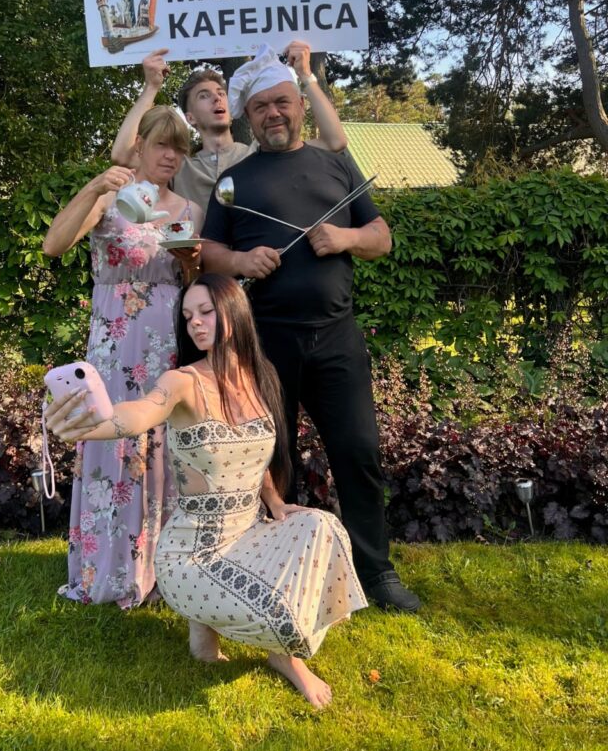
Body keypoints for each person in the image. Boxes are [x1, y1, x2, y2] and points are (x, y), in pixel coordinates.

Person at [45, 273, 367, 709]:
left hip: (247, 535)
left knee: (324, 527)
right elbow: (140, 413)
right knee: (280, 613)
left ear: (234, 311)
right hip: (191, 553)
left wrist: (275, 502)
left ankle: (253, 645)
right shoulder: (182, 382)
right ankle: (265, 644)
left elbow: (254, 454)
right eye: (187, 316)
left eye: (205, 312)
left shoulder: (261, 377)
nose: (195, 323)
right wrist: (90, 424)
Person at [200, 47, 422, 612]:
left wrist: (345, 238)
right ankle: (281, 568)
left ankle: (376, 572)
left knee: (358, 451)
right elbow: (207, 252)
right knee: (275, 458)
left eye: (281, 102)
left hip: (336, 337)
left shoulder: (337, 166)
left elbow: (381, 238)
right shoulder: (232, 180)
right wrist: (241, 261)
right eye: (260, 108)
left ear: (300, 104)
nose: (272, 114)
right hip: (267, 340)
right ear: (248, 118)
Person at [43, 106, 204, 607]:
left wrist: (191, 264)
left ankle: (161, 573)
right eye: (162, 145)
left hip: (166, 346)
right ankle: (107, 569)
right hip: (114, 348)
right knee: (110, 439)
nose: (171, 156)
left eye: (180, 148)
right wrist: (94, 186)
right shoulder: (111, 197)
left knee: (163, 449)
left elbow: (194, 287)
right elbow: (53, 245)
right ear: (139, 147)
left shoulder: (188, 210)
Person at [110, 41, 349, 212]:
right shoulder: (180, 168)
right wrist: (151, 87)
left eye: (221, 93)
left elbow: (334, 141)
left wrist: (306, 76)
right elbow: (122, 155)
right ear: (190, 118)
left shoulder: (260, 153)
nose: (217, 98)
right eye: (204, 96)